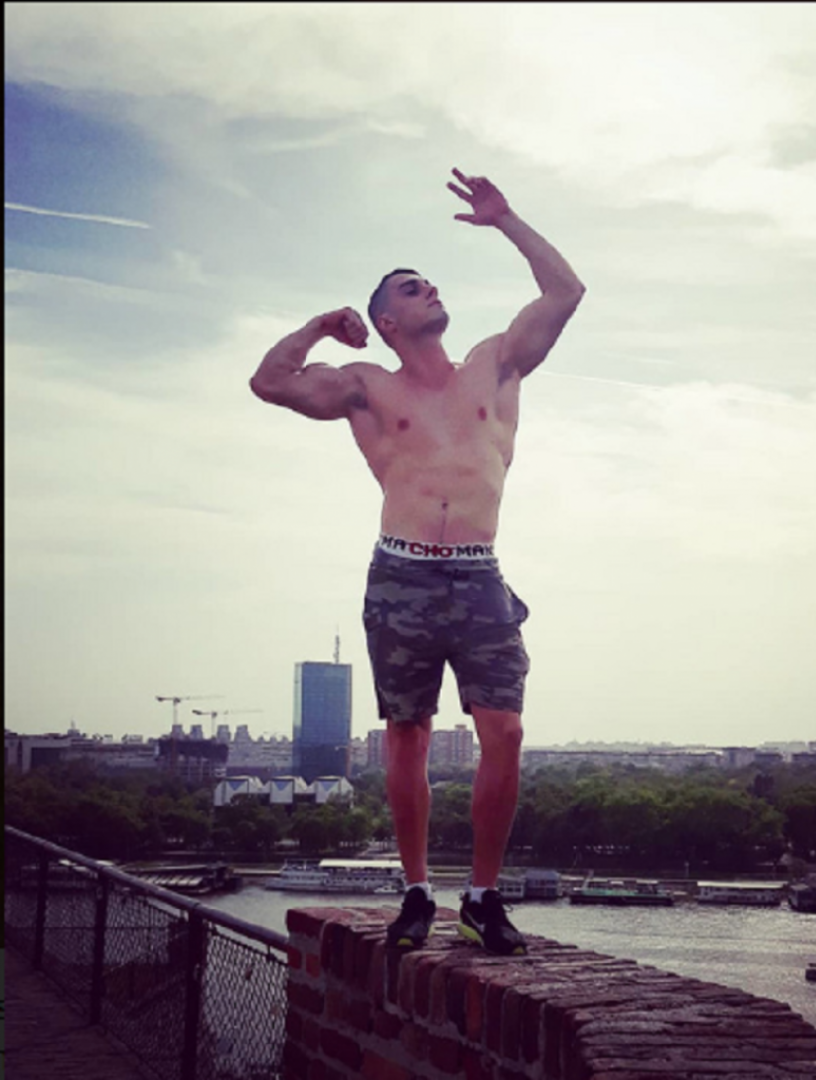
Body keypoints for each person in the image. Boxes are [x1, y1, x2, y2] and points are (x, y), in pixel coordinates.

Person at [249, 167, 584, 955]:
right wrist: (319, 326)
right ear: (386, 322)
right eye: (410, 287)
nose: (428, 287)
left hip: (479, 573)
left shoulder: (495, 363)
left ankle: (483, 898)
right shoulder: (366, 386)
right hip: (400, 573)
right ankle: (415, 893)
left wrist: (507, 220)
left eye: (428, 281)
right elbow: (269, 382)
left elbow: (565, 291)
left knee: (504, 732)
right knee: (407, 735)